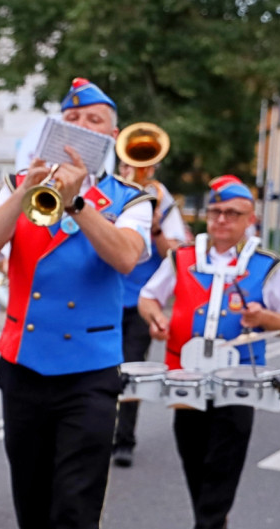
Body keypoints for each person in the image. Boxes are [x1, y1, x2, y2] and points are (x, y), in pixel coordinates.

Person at [0, 78, 153, 529]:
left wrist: (78, 203)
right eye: (72, 118)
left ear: (112, 135)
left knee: (74, 508)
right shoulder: (23, 188)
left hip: (89, 378)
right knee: (33, 506)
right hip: (24, 369)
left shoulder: (131, 197)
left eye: (95, 119)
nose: (83, 127)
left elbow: (125, 257)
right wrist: (28, 191)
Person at [138, 175, 280, 529]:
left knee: (224, 460)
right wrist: (155, 317)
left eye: (232, 214)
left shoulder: (266, 266)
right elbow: (148, 296)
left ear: (250, 219)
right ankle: (214, 522)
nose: (222, 220)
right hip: (186, 374)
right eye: (215, 212)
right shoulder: (182, 258)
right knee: (192, 454)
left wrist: (264, 317)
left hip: (239, 377)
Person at [112, 160, 187, 467]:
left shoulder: (162, 199)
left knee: (131, 369)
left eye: (141, 162)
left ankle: (124, 439)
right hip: (108, 296)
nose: (133, 167)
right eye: (127, 161)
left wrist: (155, 226)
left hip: (141, 299)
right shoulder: (113, 192)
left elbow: (176, 254)